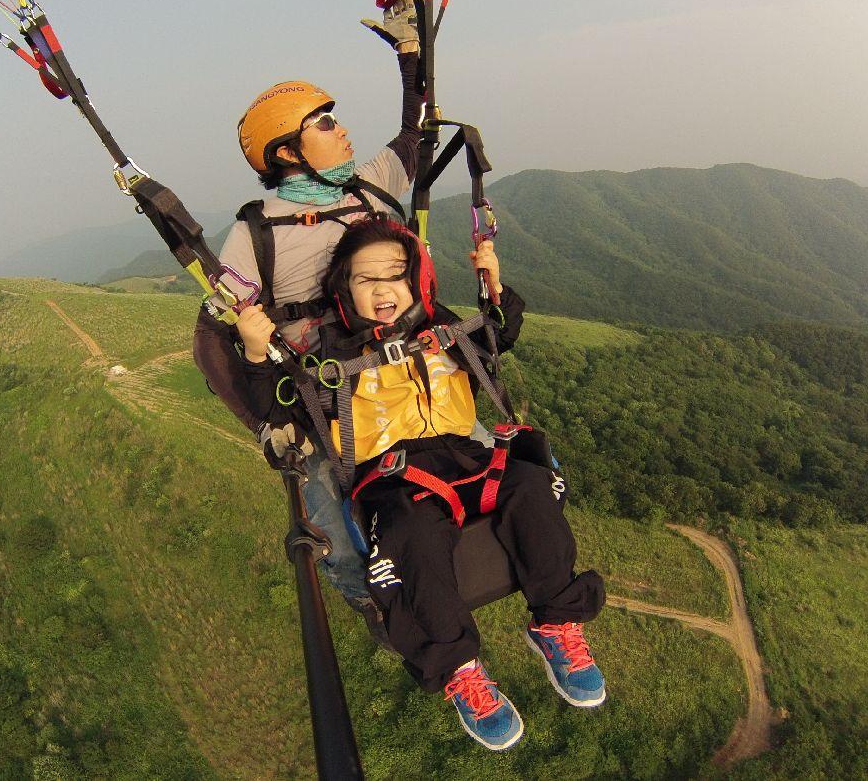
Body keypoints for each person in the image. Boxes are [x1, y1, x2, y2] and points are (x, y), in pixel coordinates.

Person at [233, 215, 607, 752]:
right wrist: (252, 350)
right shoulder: (327, 352)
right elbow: (278, 407)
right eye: (367, 279)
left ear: (415, 282)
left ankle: (557, 623)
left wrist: (493, 286)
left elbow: (499, 336)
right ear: (344, 290)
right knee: (413, 535)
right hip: (395, 475)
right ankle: (458, 667)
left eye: (396, 275)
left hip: (467, 455)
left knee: (529, 482)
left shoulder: (438, 324)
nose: (385, 289)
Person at [192, 0, 424, 629]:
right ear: (288, 153)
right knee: (331, 516)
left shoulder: (371, 184)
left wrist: (411, 52)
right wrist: (263, 421)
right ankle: (368, 600)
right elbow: (213, 339)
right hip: (322, 396)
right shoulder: (256, 233)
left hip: (396, 370)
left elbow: (418, 131)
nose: (341, 128)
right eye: (322, 123)